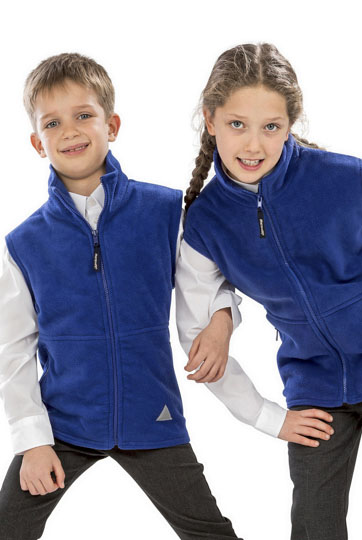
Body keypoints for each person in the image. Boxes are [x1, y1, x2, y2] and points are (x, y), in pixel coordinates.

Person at [177, 42, 362, 539]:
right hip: (314, 389)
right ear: (210, 120)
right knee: (313, 527)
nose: (254, 145)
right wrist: (266, 416)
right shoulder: (203, 224)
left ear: (291, 124)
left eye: (271, 127)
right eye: (237, 124)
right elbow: (197, 332)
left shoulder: (339, 177)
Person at [0, 52, 244, 540]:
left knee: (211, 533)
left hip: (152, 416)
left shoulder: (165, 211)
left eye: (83, 115)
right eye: (53, 122)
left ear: (111, 125)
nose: (70, 131)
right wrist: (32, 441)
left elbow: (210, 277)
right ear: (37, 142)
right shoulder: (23, 244)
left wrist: (221, 321)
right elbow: (13, 350)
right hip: (63, 426)